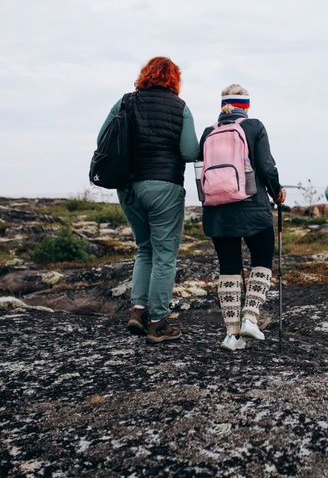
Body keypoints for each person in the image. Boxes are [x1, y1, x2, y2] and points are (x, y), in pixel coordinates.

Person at [98, 56, 200, 343]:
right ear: (174, 79)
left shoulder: (125, 102)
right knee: (165, 254)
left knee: (144, 249)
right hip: (164, 187)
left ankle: (138, 310)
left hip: (128, 187)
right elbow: (190, 151)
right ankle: (158, 322)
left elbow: (102, 139)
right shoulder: (180, 108)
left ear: (146, 75)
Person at [198, 84, 286, 351]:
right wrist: (277, 190)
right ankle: (250, 318)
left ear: (222, 105)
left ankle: (231, 335)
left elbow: (199, 168)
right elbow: (266, 166)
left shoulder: (208, 132)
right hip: (252, 207)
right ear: (246, 106)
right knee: (262, 259)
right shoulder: (254, 127)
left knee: (229, 267)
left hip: (216, 211)